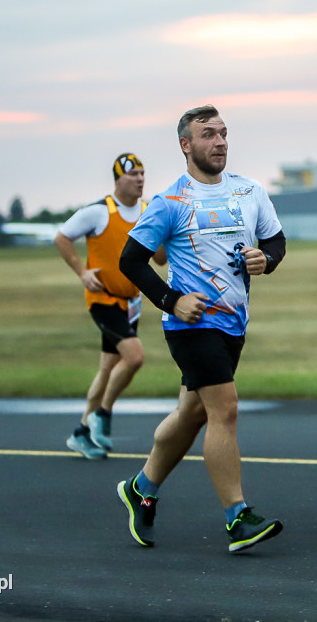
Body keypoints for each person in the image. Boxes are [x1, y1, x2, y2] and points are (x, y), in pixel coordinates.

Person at [115, 104, 287, 554]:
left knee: (193, 413)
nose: (220, 141)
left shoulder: (250, 191)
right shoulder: (169, 201)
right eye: (208, 134)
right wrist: (172, 300)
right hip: (190, 324)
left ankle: (141, 487)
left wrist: (264, 259)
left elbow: (275, 240)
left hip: (233, 324)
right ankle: (237, 518)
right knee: (224, 410)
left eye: (224, 133)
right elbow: (130, 260)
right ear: (186, 145)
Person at [54, 153, 165, 460]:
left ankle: (81, 433)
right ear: (118, 180)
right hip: (103, 299)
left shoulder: (147, 211)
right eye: (133, 175)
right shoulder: (99, 212)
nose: (140, 179)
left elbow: (160, 258)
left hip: (131, 303)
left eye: (143, 174)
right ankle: (102, 414)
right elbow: (62, 237)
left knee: (107, 369)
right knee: (135, 356)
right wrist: (82, 272)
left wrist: (166, 227)